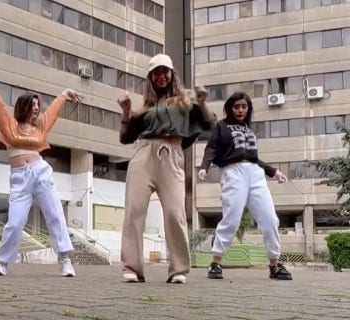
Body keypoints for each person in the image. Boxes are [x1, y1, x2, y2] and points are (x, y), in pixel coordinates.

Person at [0, 68, 82, 277]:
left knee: (55, 214)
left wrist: (64, 95)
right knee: (16, 221)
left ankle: (65, 259)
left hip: (41, 173)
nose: (36, 109)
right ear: (23, 107)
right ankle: (2, 263)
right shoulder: (8, 125)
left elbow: (52, 111)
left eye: (38, 105)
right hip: (19, 178)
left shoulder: (40, 128)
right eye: (33, 105)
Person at [118, 53, 215, 284]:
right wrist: (126, 112)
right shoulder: (145, 108)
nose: (161, 76)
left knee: (175, 213)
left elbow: (210, 125)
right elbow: (125, 138)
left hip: (172, 155)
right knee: (134, 210)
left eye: (165, 71)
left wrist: (202, 101)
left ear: (172, 75)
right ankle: (132, 267)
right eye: (156, 73)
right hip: (144, 155)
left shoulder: (185, 102)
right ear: (150, 78)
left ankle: (179, 269)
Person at [198, 91, 292, 281]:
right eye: (236, 107)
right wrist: (204, 167)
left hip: (255, 174)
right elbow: (212, 147)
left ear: (248, 108)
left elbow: (253, 159)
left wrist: (273, 171)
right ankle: (215, 263)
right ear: (230, 108)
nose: (240, 110)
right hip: (234, 173)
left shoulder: (249, 130)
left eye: (244, 106)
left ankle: (274, 265)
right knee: (232, 219)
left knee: (270, 219)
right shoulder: (221, 126)